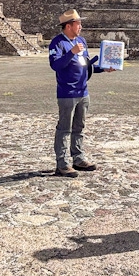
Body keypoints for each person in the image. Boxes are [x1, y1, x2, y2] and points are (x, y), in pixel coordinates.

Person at [48, 9, 113, 178]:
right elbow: (56, 65)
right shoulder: (58, 43)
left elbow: (86, 65)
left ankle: (78, 158)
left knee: (79, 127)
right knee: (64, 129)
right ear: (69, 26)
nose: (81, 27)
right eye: (78, 24)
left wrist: (104, 68)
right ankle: (62, 164)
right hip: (67, 93)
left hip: (83, 91)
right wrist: (71, 52)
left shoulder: (81, 41)